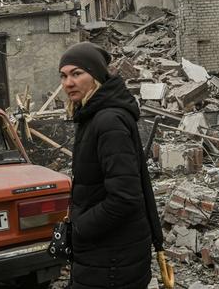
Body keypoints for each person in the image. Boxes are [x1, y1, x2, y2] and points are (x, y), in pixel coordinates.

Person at [58, 42, 163, 289]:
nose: (68, 83)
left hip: (113, 258)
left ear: (95, 75)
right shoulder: (93, 115)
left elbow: (125, 197)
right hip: (106, 253)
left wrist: (80, 227)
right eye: (63, 76)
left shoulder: (107, 121)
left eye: (76, 73)